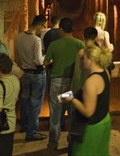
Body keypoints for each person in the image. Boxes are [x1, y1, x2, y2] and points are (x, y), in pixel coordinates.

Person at [44, 17, 85, 151]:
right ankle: (71, 141)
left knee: (56, 114)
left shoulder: (54, 45)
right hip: (72, 83)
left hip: (57, 83)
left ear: (61, 29)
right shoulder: (79, 44)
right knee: (72, 113)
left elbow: (46, 62)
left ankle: (53, 143)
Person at [63, 46, 111, 155]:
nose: (80, 62)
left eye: (83, 58)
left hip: (92, 128)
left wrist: (72, 99)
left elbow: (88, 112)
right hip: (104, 120)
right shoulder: (105, 72)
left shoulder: (91, 82)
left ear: (91, 60)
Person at [17, 14, 47, 142]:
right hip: (37, 74)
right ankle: (32, 132)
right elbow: (39, 61)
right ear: (39, 25)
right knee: (35, 103)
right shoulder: (36, 40)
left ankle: (24, 125)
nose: (43, 29)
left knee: (25, 100)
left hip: (25, 73)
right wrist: (48, 59)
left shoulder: (20, 36)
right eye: (43, 26)